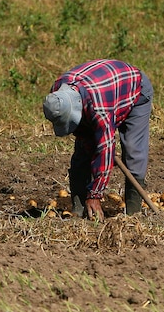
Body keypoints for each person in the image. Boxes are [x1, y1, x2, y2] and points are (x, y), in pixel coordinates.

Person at [42, 59, 154, 220]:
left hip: (133, 88)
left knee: (133, 151)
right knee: (82, 152)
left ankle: (133, 213)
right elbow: (85, 136)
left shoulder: (98, 108)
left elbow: (105, 147)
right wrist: (92, 150)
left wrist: (95, 194)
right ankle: (78, 209)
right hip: (105, 89)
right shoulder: (56, 96)